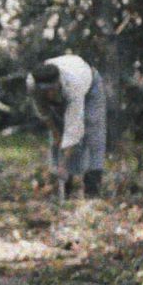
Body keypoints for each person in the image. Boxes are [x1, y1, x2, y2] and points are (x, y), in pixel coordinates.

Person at [26, 53, 108, 206]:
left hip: (90, 84)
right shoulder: (32, 83)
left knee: (93, 135)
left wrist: (63, 165)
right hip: (65, 91)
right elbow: (44, 113)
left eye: (51, 89)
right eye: (45, 91)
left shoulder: (73, 85)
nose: (49, 94)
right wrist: (56, 133)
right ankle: (65, 189)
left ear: (58, 82)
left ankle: (92, 191)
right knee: (57, 138)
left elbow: (73, 130)